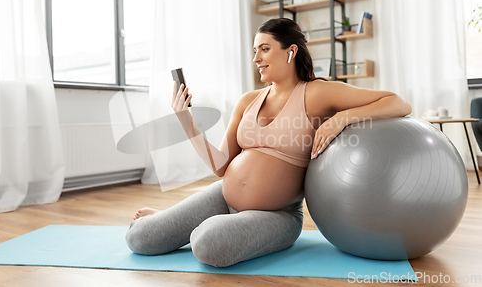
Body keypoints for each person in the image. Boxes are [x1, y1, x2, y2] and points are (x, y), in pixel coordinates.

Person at [125, 18, 412, 267]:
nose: (256, 59)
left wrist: (341, 118)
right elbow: (220, 165)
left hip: (277, 215)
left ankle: (189, 223)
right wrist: (185, 121)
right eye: (255, 51)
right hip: (223, 197)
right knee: (139, 238)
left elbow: (397, 103)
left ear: (291, 52)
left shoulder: (316, 93)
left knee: (208, 243)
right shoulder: (248, 101)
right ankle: (172, 219)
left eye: (264, 49)